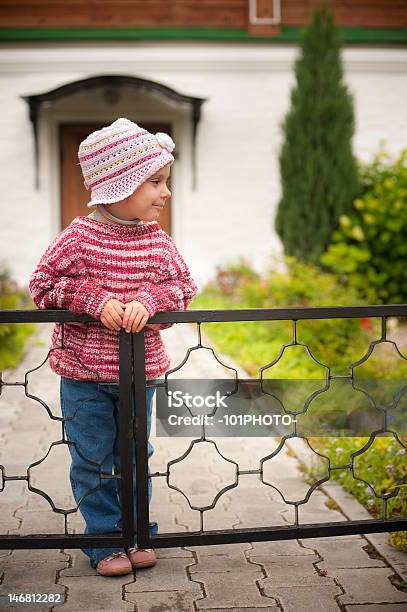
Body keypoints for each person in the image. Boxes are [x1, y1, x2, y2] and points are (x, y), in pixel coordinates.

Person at [29, 118, 198, 576]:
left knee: (136, 457)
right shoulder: (77, 239)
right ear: (118, 184)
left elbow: (184, 286)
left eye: (166, 183)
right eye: (156, 183)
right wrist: (91, 299)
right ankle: (105, 541)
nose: (166, 194)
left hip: (139, 372)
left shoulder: (158, 243)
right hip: (83, 376)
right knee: (92, 460)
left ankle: (138, 532)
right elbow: (43, 285)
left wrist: (150, 299)